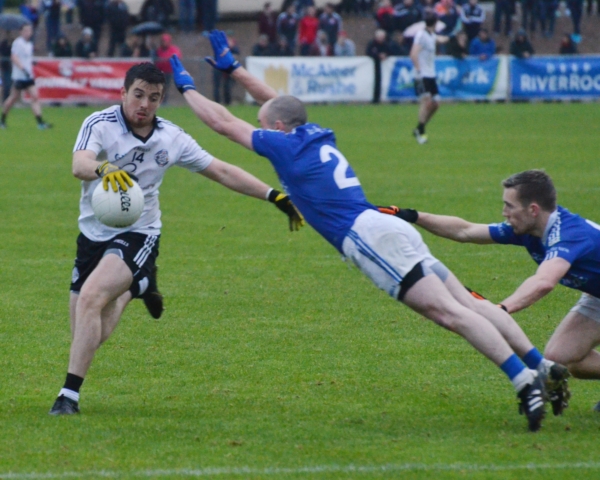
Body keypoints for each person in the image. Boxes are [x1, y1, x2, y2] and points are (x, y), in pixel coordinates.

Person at [169, 32, 572, 432]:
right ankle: (542, 364)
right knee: (467, 302)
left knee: (452, 314)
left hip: (368, 237)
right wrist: (235, 69)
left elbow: (223, 122)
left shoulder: (284, 146)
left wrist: (186, 86)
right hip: (387, 228)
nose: (262, 128)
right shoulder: (314, 133)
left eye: (265, 126)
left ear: (277, 127)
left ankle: (524, 382)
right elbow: (277, 104)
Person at [47, 62, 304, 416]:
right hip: (92, 234)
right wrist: (103, 168)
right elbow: (79, 164)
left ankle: (67, 397)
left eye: (154, 98)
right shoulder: (99, 124)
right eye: (138, 95)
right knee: (90, 332)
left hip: (140, 233)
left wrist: (274, 196)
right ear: (123, 93)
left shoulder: (171, 137)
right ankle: (135, 288)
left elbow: (222, 170)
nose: (145, 105)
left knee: (92, 298)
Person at [382, 170, 600, 412]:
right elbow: (464, 231)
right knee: (560, 356)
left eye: (509, 206)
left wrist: (500, 310)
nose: (504, 213)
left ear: (533, 210)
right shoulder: (531, 229)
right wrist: (412, 215)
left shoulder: (568, 236)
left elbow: (543, 282)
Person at [0, 24, 51, 130]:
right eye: (26, 30)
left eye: (29, 30)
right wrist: (23, 68)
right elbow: (14, 57)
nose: (28, 32)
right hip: (19, 76)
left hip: (28, 76)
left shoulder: (29, 44)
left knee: (35, 97)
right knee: (13, 98)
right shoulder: (18, 43)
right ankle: (2, 120)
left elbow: (26, 58)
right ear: (21, 32)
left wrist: (32, 64)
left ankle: (40, 123)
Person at [409, 13, 448, 144]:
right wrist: (418, 70)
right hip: (423, 74)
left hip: (431, 74)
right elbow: (413, 53)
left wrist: (448, 38)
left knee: (436, 104)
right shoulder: (421, 35)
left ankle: (419, 127)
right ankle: (421, 132)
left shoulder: (431, 35)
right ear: (435, 23)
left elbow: (439, 39)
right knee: (426, 102)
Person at [365, 29, 391, 103]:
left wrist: (385, 55)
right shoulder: (372, 44)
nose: (382, 39)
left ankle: (379, 98)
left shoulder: (385, 44)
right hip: (373, 65)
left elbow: (390, 51)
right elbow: (368, 52)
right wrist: (377, 56)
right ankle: (374, 98)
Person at [155, 33, 181, 103]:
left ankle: (164, 101)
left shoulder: (173, 49)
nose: (164, 43)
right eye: (163, 41)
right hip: (160, 71)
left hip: (168, 71)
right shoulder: (159, 50)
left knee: (165, 87)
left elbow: (176, 56)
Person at [0, 32, 13, 102]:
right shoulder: (3, 43)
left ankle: (9, 99)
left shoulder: (13, 43)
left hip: (11, 67)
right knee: (6, 84)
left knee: (10, 84)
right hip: (5, 66)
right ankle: (5, 99)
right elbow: (2, 52)